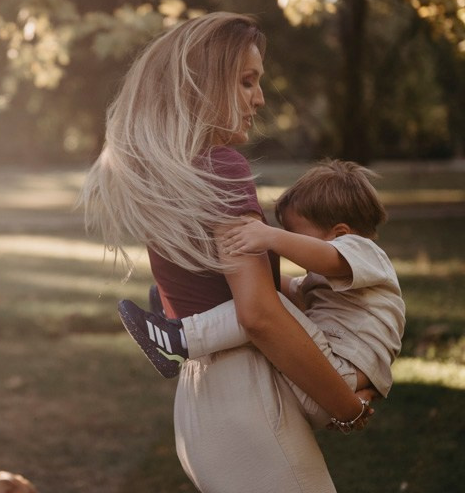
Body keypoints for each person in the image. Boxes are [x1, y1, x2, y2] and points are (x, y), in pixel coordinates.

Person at [81, 13, 397, 493]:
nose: (258, 98)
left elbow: (231, 304)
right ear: (206, 82)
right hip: (246, 411)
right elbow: (257, 313)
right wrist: (348, 406)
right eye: (247, 80)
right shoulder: (220, 166)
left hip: (201, 404)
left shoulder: (169, 166)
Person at [118, 159, 405, 429]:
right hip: (326, 377)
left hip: (337, 378)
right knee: (261, 296)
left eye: (295, 233)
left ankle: (178, 340)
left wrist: (271, 237)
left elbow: (328, 258)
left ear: (339, 233)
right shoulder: (336, 281)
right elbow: (286, 286)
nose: (288, 240)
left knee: (266, 306)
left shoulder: (365, 254)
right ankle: (177, 320)